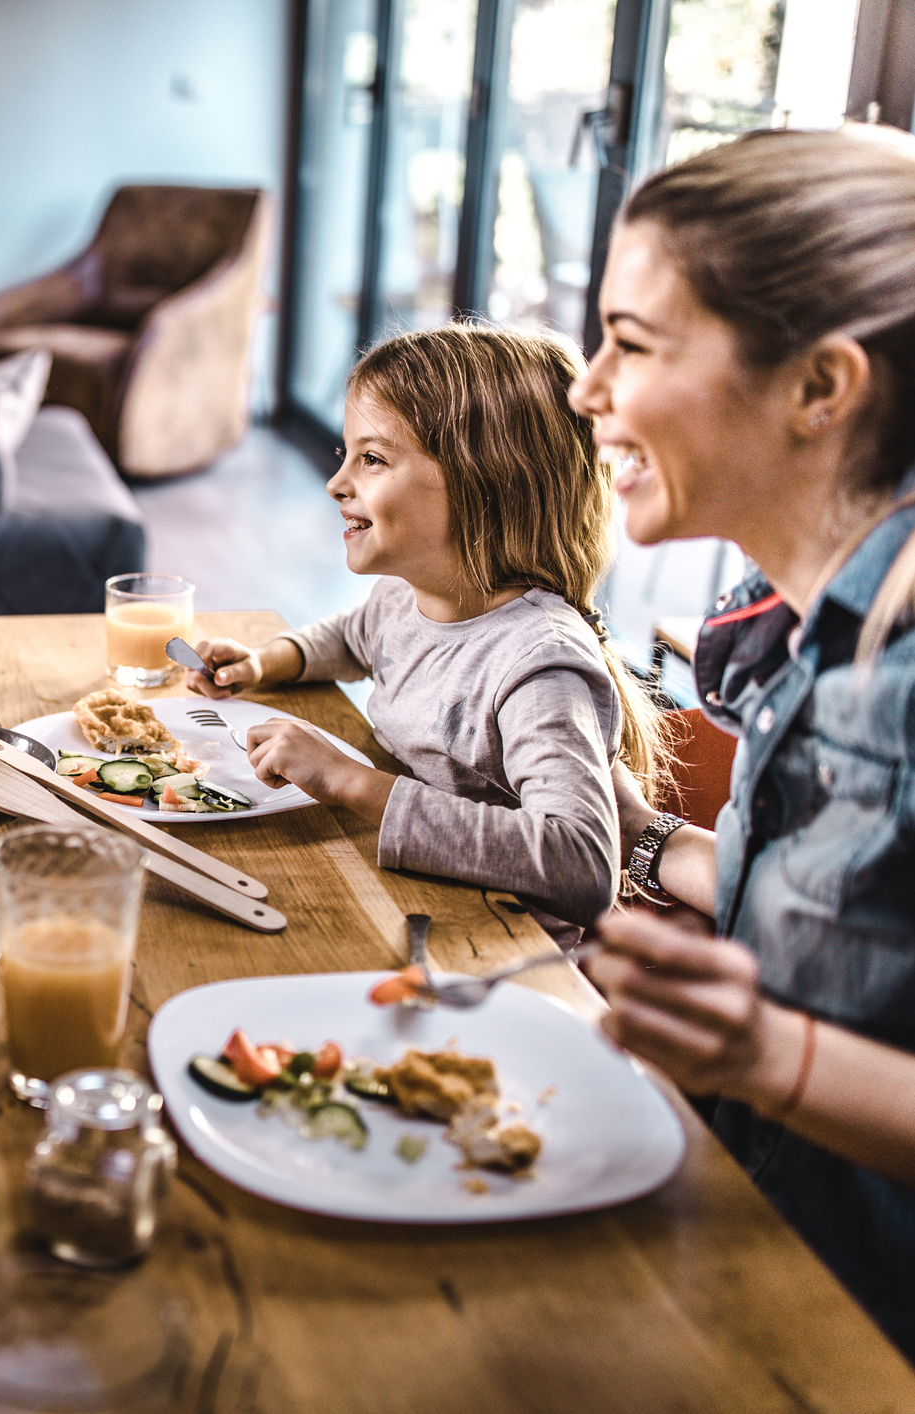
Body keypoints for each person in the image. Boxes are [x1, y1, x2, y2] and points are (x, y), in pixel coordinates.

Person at [566, 125, 915, 1355]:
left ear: (820, 387)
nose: (585, 386)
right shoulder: (801, 628)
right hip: (750, 1247)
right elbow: (848, 920)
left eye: (633, 342)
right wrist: (646, 840)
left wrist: (771, 1052)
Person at [185, 323, 666, 926]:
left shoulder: (538, 664)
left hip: (492, 945)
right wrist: (264, 662)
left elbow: (580, 865)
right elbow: (349, 638)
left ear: (487, 482)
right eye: (347, 455)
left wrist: (351, 783)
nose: (337, 484)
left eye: (373, 459)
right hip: (404, 896)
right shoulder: (404, 598)